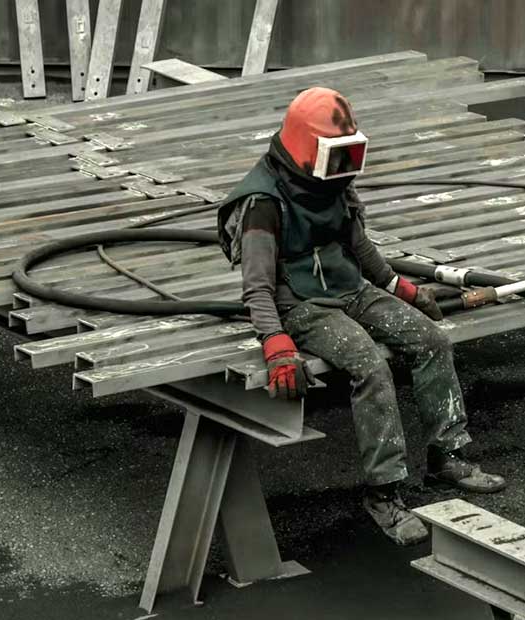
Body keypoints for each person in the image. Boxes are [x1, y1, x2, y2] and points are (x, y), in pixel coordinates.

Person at [217, 87, 506, 546]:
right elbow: (256, 285)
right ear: (306, 148)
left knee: (431, 340)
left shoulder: (331, 181)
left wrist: (400, 287)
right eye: (336, 154)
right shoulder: (263, 202)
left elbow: (358, 246)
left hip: (349, 287)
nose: (343, 167)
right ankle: (384, 494)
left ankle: (447, 455)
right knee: (370, 366)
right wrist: (275, 342)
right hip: (301, 305)